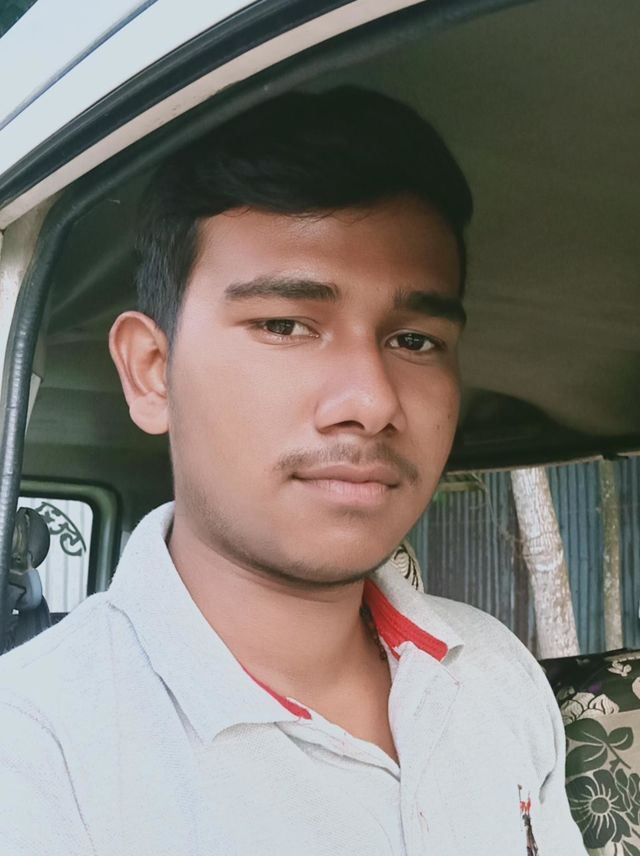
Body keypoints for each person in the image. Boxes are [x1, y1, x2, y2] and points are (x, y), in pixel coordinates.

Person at [0, 87, 586, 855]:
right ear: (151, 372)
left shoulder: (493, 671)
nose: (372, 402)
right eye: (284, 325)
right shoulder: (36, 752)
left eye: (414, 341)